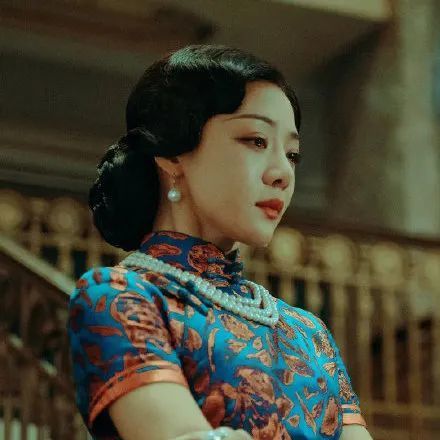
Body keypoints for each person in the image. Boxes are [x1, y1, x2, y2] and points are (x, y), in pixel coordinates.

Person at [67, 44, 372, 440]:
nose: (283, 172)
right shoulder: (120, 297)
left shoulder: (308, 333)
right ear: (172, 155)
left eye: (292, 154)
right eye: (256, 140)